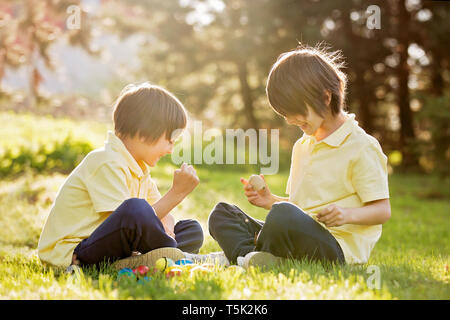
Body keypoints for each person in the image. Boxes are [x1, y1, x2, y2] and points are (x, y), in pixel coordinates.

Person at [208, 43, 391, 269]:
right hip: (295, 232)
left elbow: (382, 210)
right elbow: (299, 207)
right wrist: (270, 200)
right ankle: (250, 258)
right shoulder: (302, 146)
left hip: (336, 247)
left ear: (325, 97)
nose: (289, 120)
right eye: (284, 113)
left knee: (282, 216)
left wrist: (346, 214)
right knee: (223, 214)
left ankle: (245, 256)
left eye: (295, 111)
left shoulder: (362, 147)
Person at [38, 82, 204, 270]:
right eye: (170, 141)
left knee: (191, 229)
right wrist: (176, 194)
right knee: (136, 208)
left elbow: (159, 216)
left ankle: (158, 257)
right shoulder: (106, 161)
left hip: (115, 245)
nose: (171, 149)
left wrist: (168, 227)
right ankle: (174, 257)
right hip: (75, 253)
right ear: (144, 132)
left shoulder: (139, 169)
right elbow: (129, 220)